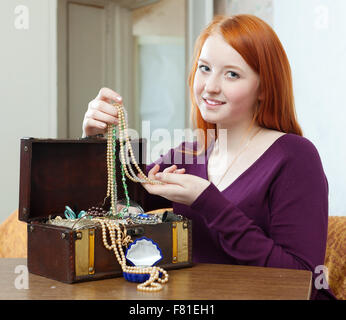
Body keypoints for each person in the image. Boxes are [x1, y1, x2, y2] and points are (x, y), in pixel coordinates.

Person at [82, 14, 336, 300]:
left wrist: (207, 201)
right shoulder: (188, 154)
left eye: (232, 74)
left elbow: (302, 280)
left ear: (263, 88)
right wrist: (97, 139)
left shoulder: (295, 157)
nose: (210, 87)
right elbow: (112, 202)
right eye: (205, 68)